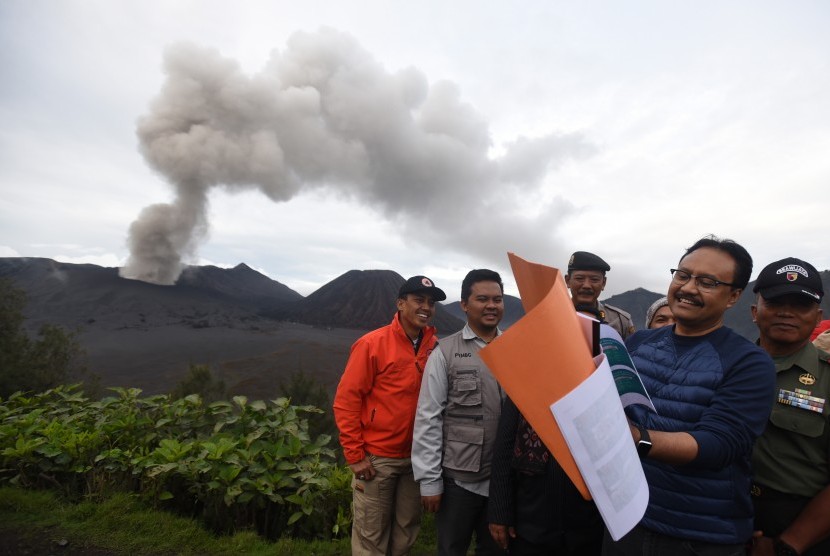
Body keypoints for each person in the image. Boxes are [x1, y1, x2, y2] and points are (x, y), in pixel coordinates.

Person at [602, 236, 776, 556]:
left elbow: (718, 444)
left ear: (733, 296)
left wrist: (636, 438)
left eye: (707, 282)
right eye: (683, 275)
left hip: (700, 535)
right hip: (628, 519)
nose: (689, 288)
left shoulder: (749, 363)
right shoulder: (638, 343)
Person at [333, 275, 447, 556]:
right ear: (400, 303)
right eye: (418, 300)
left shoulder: (436, 347)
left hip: (416, 459)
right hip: (376, 459)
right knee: (371, 535)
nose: (426, 307)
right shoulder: (372, 344)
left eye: (431, 303)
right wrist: (355, 455)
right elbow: (347, 400)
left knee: (406, 532)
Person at [412, 269, 507, 556]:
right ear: (465, 304)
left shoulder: (515, 349)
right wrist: (430, 480)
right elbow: (429, 417)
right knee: (452, 549)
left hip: (503, 481)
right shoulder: (445, 351)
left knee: (497, 551)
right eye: (482, 299)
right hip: (459, 482)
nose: (492, 305)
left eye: (498, 299)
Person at [749, 257, 830, 556]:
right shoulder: (723, 366)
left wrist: (789, 544)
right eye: (776, 302)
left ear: (817, 315)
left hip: (805, 525)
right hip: (725, 514)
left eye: (800, 304)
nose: (787, 312)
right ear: (755, 312)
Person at [487, 394, 603, 555]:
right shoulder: (525, 382)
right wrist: (499, 513)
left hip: (585, 525)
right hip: (532, 522)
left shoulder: (594, 378)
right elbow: (504, 449)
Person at [565, 251, 635, 339]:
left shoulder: (621, 320)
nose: (586, 285)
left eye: (594, 279)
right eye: (580, 278)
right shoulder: (552, 315)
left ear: (603, 283)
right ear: (568, 281)